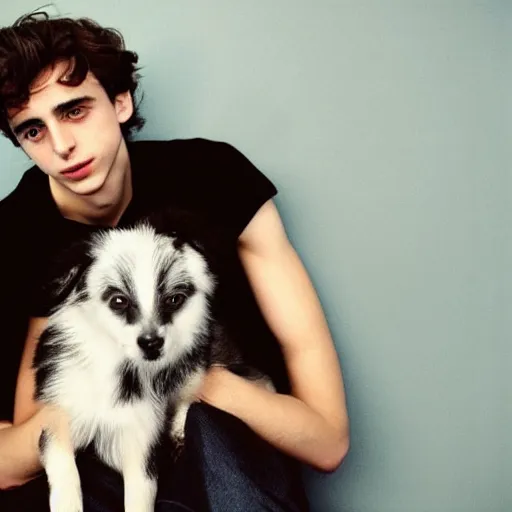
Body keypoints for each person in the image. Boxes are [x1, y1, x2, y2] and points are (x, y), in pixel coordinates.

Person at [0, 10, 349, 512]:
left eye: (74, 110)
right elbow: (18, 454)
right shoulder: (16, 240)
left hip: (225, 459)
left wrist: (202, 383)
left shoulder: (214, 180)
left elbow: (327, 439)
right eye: (33, 130)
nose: (61, 145)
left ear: (119, 101)